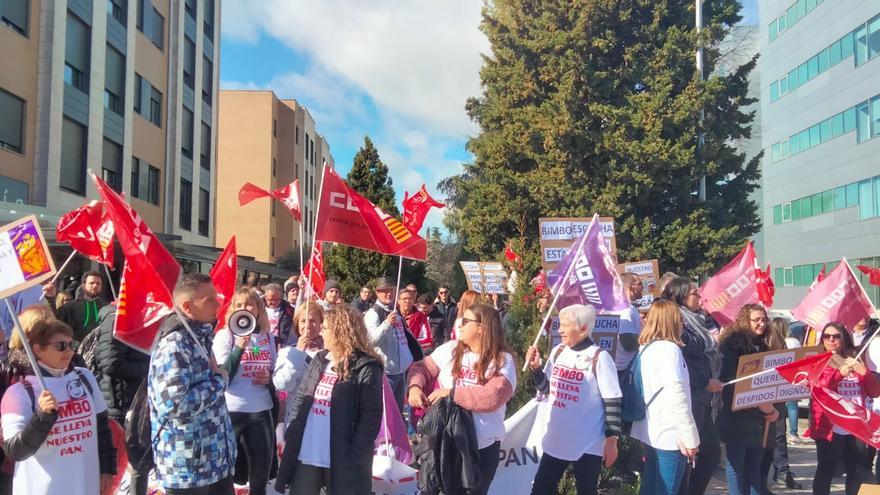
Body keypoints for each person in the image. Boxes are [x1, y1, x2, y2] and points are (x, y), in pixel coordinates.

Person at [408, 304, 517, 495]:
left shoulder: (502, 360)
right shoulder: (451, 349)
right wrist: (415, 387)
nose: (460, 325)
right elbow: (422, 368)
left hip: (480, 450)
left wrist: (452, 393)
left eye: (466, 321)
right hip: (444, 444)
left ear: (482, 327)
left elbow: (493, 396)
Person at [275, 306, 383, 495]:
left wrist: (356, 453)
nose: (321, 332)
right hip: (309, 448)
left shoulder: (366, 367)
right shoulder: (320, 359)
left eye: (325, 328)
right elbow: (302, 396)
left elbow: (370, 418)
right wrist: (293, 430)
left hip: (343, 453)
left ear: (340, 331)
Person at [1, 319, 116, 495]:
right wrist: (41, 416)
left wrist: (108, 468)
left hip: (85, 485)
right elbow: (16, 451)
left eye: (71, 344)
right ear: (37, 349)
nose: (69, 351)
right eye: (61, 346)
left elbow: (102, 426)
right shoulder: (19, 392)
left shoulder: (84, 377)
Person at [148, 273, 236, 494]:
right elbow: (175, 405)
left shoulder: (200, 338)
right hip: (187, 470)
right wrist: (219, 382)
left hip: (214, 463)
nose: (219, 303)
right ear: (188, 306)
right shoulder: (174, 345)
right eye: (210, 300)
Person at [525, 304, 622, 495]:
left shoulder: (600, 358)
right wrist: (536, 369)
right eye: (560, 324)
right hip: (557, 438)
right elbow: (547, 389)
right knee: (541, 489)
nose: (559, 329)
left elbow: (612, 400)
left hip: (588, 443)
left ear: (584, 329)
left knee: (586, 490)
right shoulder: (558, 351)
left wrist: (612, 440)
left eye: (565, 325)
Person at [631, 300, 700, 495]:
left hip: (651, 428)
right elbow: (677, 395)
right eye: (679, 318)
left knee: (651, 484)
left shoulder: (646, 348)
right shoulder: (670, 350)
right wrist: (689, 437)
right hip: (670, 432)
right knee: (666, 489)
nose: (682, 322)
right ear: (670, 320)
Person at [212, 288, 276, 495]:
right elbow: (223, 376)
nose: (244, 309)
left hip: (260, 410)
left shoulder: (267, 336)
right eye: (239, 305)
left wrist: (268, 379)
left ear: (258, 310)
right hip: (231, 410)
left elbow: (273, 369)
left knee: (260, 471)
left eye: (250, 304)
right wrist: (239, 347)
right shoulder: (225, 335)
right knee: (224, 471)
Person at [661, 277, 721, 495]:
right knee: (689, 456)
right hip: (690, 397)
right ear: (681, 296)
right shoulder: (678, 324)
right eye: (695, 293)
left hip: (703, 400)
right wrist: (705, 382)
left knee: (711, 453)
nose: (700, 297)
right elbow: (680, 364)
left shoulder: (698, 322)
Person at [810, 322, 880, 495]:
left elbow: (875, 392)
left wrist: (865, 372)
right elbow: (819, 387)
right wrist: (839, 373)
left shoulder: (856, 358)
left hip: (855, 425)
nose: (831, 340)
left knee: (855, 471)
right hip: (830, 425)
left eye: (836, 336)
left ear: (844, 338)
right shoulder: (818, 359)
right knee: (826, 470)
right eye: (827, 336)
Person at [717, 304, 779, 495]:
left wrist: (773, 408)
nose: (762, 323)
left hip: (761, 419)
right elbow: (729, 380)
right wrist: (758, 401)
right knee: (736, 467)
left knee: (755, 467)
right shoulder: (731, 344)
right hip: (737, 416)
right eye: (756, 320)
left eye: (764, 319)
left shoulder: (769, 343)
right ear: (745, 320)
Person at [761, 318, 803, 491]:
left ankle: (782, 472)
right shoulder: (761, 345)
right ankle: (764, 481)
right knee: (766, 443)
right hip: (763, 402)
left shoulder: (785, 345)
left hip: (778, 400)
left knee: (777, 438)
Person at [93, 304, 150, 425]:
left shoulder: (142, 316)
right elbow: (111, 364)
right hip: (120, 405)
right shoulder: (115, 319)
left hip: (137, 400)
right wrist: (152, 368)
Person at [364, 277, 414, 410]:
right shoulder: (373, 314)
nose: (389, 294)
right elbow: (370, 340)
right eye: (384, 291)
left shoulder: (395, 311)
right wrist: (386, 324)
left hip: (401, 371)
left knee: (397, 412)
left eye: (391, 290)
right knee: (386, 412)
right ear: (377, 293)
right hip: (386, 373)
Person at [274, 303, 324, 430]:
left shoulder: (330, 353)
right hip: (296, 419)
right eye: (303, 321)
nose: (307, 325)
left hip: (322, 418)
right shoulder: (287, 353)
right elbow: (282, 385)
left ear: (321, 324)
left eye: (313, 321)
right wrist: (298, 353)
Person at [56, 271, 107, 344]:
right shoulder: (69, 307)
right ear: (83, 285)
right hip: (74, 350)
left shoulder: (107, 308)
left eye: (98, 283)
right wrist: (50, 298)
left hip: (99, 350)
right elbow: (55, 324)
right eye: (91, 283)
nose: (95, 286)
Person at [614, 272, 644, 380]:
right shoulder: (626, 310)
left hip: (621, 369)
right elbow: (628, 343)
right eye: (639, 284)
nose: (643, 287)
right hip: (626, 370)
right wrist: (646, 339)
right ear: (629, 287)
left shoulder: (622, 307)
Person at [398, 289, 433, 353]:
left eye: (410, 298)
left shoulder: (421, 317)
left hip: (413, 357)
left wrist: (411, 343)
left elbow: (428, 340)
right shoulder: (392, 316)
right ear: (398, 301)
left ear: (413, 301)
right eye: (404, 299)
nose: (407, 301)